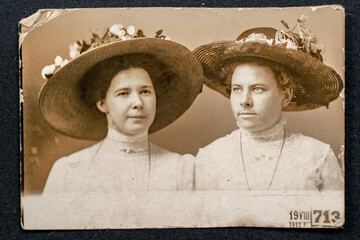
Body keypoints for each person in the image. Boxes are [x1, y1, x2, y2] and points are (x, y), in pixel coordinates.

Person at [41, 24, 203, 194]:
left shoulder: (181, 169)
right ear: (102, 103)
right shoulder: (68, 172)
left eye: (145, 91)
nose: (138, 102)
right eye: (124, 93)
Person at [193, 21, 344, 191]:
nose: (245, 101)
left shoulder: (318, 156)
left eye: (258, 89)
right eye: (236, 89)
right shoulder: (210, 157)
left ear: (285, 96)